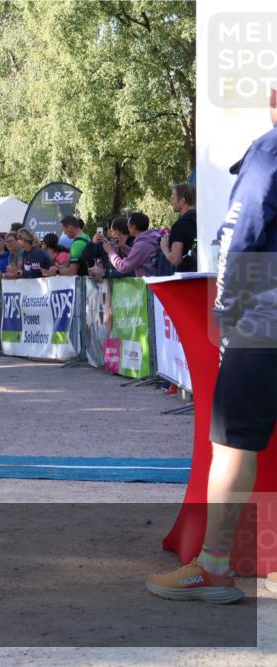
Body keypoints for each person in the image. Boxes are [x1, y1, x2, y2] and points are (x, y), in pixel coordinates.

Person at [145, 123, 277, 604]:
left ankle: (214, 568)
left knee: (231, 442)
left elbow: (241, 237)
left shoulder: (269, 149)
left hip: (265, 321)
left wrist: (224, 313)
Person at [103, 212, 160, 278]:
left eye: (128, 226)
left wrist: (111, 253)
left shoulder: (141, 245)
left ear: (133, 227)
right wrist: (124, 246)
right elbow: (139, 256)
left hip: (149, 284)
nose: (127, 228)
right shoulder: (150, 238)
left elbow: (123, 267)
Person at [160, 183, 197, 274]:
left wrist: (164, 248)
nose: (171, 201)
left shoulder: (180, 225)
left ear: (182, 200)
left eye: (173, 198)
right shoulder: (200, 220)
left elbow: (176, 260)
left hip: (184, 279)